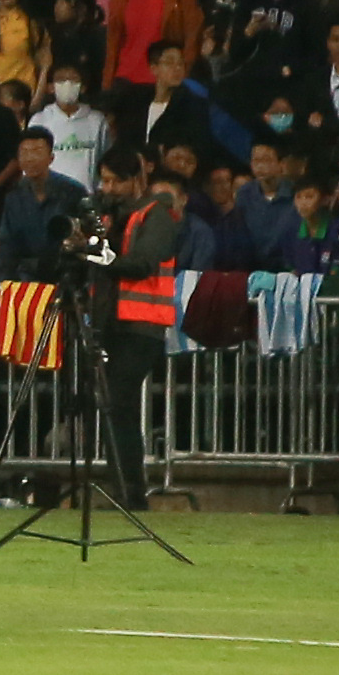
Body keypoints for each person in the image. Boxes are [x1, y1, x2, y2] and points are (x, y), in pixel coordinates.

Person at [103, 139, 191, 509]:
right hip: (117, 325)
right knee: (114, 407)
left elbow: (142, 263)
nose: (107, 189)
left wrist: (100, 257)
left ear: (134, 180)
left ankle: (131, 493)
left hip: (142, 327)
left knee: (118, 405)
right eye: (103, 181)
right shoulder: (123, 217)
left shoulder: (156, 216)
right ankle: (124, 489)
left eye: (113, 182)